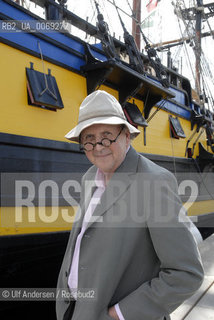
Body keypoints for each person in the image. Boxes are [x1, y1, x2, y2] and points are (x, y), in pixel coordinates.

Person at [56, 90, 204, 320]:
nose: (98, 147)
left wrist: (119, 315)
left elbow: (185, 274)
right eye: (89, 139)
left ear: (127, 135)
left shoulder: (154, 182)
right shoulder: (89, 177)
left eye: (107, 135)